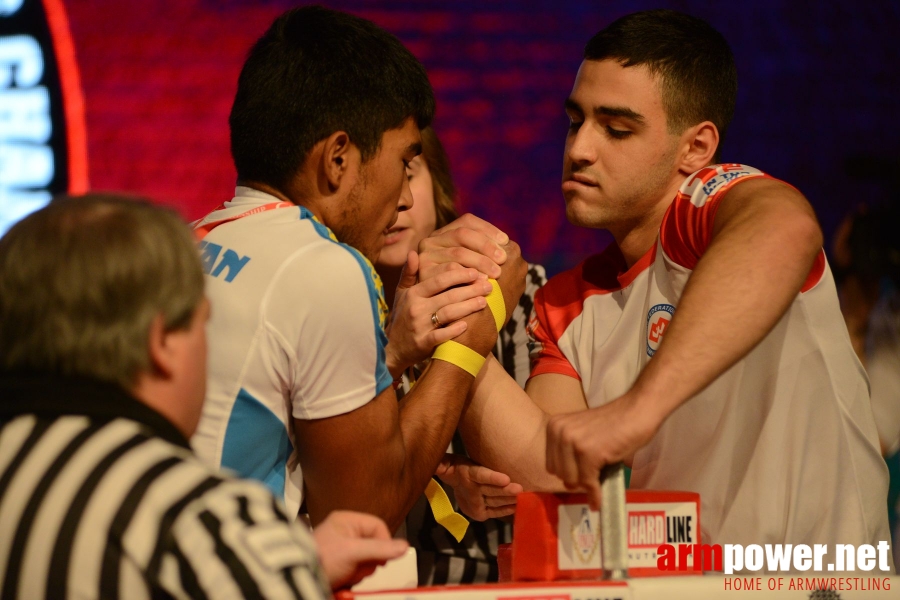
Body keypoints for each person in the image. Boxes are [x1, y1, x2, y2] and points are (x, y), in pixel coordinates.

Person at [455, 9, 892, 555]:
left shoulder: (705, 213)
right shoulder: (564, 300)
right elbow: (552, 469)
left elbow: (789, 227)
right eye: (575, 121)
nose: (579, 149)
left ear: (696, 150)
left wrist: (635, 411)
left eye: (616, 129)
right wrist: (453, 314)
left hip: (814, 582)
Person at [190, 5, 526, 535]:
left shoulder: (194, 241)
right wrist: (476, 332)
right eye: (403, 161)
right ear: (338, 159)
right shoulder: (324, 266)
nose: (401, 196)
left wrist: (391, 353)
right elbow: (361, 515)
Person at [0, 195, 409, 598]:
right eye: (204, 324)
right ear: (163, 342)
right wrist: (273, 567)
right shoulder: (210, 523)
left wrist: (294, 565)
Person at [374, 126, 547, 584]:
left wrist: (470, 307)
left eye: (407, 172)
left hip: (516, 571)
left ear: (440, 184)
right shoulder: (343, 306)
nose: (397, 200)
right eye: (375, 177)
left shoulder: (517, 288)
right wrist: (443, 471)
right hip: (397, 575)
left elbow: (543, 467)